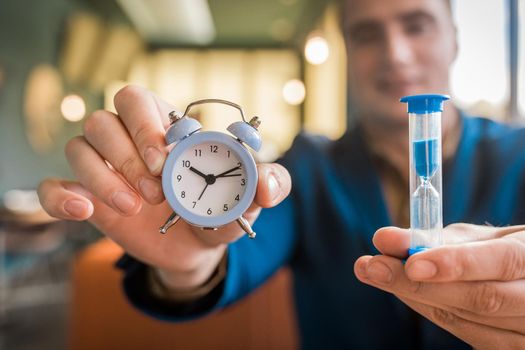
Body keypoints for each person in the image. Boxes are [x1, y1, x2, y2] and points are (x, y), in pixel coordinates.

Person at [38, 0, 525, 348]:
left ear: (454, 39)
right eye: (366, 32)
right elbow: (244, 248)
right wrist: (188, 261)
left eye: (416, 25)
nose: (395, 53)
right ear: (347, 50)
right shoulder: (310, 167)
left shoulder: (518, 154)